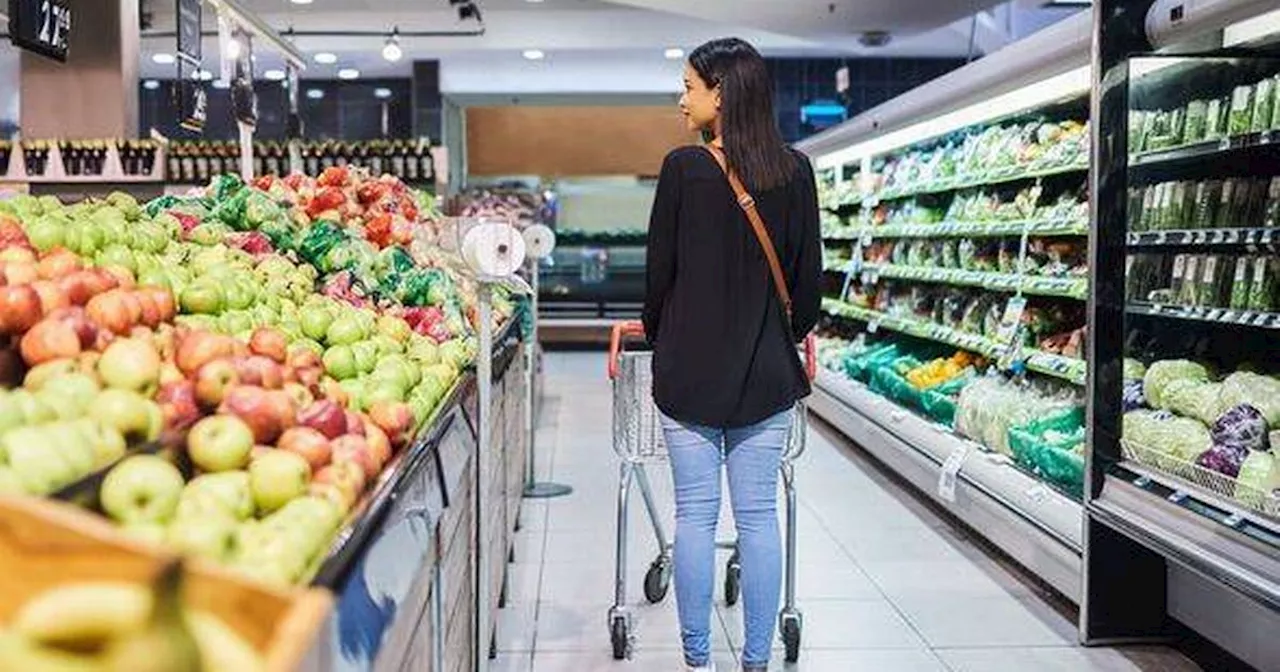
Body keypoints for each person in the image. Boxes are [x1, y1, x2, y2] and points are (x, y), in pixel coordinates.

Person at [642, 37, 822, 672]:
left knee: (694, 516)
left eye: (689, 87)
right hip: (767, 376)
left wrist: (665, 336)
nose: (681, 99)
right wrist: (776, 332)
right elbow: (808, 290)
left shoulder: (682, 169)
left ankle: (697, 660)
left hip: (687, 374)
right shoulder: (796, 171)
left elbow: (657, 277)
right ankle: (755, 661)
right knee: (758, 519)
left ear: (720, 94)